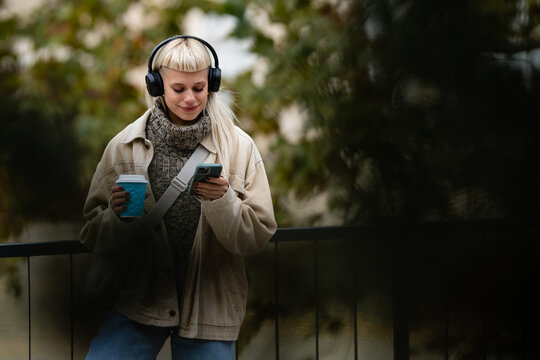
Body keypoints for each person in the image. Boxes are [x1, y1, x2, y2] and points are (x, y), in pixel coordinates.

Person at [79, 35, 277, 359]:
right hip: (137, 303)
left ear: (212, 84)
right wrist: (116, 217)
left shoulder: (240, 148)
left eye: (199, 88)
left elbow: (256, 236)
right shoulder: (124, 146)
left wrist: (223, 200)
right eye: (178, 89)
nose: (190, 98)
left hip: (210, 308)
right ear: (157, 86)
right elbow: (91, 234)